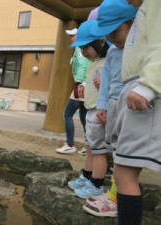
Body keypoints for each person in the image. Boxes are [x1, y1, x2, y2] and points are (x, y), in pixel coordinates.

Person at [80, 0, 138, 217]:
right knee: (115, 150)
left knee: (123, 156)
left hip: (131, 103)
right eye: (108, 33)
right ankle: (112, 193)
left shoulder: (138, 48)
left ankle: (114, 195)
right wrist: (103, 104)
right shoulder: (114, 51)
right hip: (112, 104)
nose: (112, 37)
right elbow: (105, 82)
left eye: (116, 31)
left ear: (132, 23)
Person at [109, 1, 159, 224]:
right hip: (138, 86)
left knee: (124, 173)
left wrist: (149, 85)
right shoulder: (143, 7)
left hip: (146, 89)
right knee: (124, 171)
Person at [66, 20, 110, 199]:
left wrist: (104, 84)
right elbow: (91, 77)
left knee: (99, 150)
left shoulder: (109, 61)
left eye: (86, 48)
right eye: (81, 49)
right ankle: (87, 175)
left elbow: (114, 82)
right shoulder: (96, 61)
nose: (83, 52)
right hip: (91, 108)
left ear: (100, 42)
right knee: (90, 147)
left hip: (100, 111)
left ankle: (97, 184)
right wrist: (84, 85)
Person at [55, 27, 90, 155]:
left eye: (73, 35)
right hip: (87, 86)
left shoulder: (79, 48)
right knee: (84, 118)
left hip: (81, 86)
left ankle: (70, 144)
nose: (71, 38)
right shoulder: (84, 47)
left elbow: (82, 67)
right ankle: (88, 146)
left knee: (67, 114)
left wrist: (77, 85)